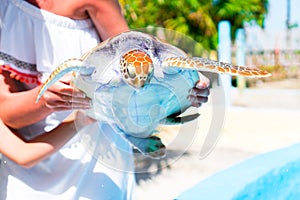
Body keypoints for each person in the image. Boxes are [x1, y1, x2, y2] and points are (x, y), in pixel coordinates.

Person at [0, 0, 210, 199]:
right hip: (28, 156)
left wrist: (187, 78)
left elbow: (140, 54)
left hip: (97, 147)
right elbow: (8, 118)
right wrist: (46, 101)